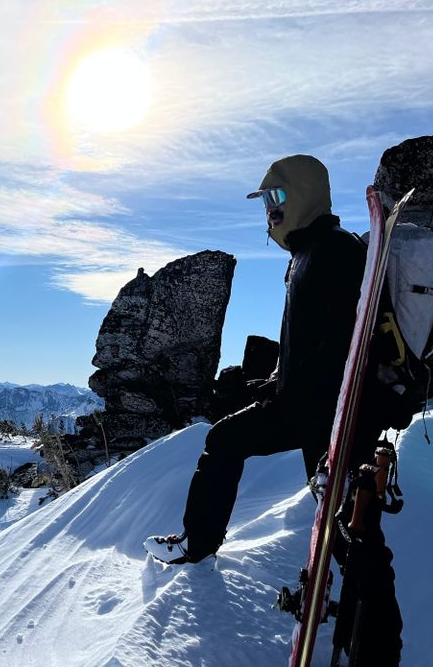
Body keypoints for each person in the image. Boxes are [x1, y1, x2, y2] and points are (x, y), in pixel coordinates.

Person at [147, 155, 402, 663]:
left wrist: (284, 395)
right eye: (265, 199)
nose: (269, 208)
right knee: (337, 520)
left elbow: (339, 345)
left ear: (305, 193)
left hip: (331, 410)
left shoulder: (331, 252)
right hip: (319, 409)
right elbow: (310, 342)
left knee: (347, 529)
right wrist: (271, 382)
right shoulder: (312, 252)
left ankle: (377, 648)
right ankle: (201, 544)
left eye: (277, 196)